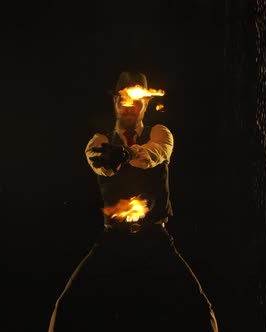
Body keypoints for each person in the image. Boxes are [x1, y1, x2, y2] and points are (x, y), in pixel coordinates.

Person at [47, 71, 218, 332]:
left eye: (136, 101)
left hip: (154, 239)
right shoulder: (99, 141)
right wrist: (111, 160)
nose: (129, 107)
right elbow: (99, 163)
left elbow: (154, 154)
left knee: (198, 307)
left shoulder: (160, 133)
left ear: (145, 104)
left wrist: (127, 153)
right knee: (67, 305)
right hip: (113, 240)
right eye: (123, 100)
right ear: (115, 101)